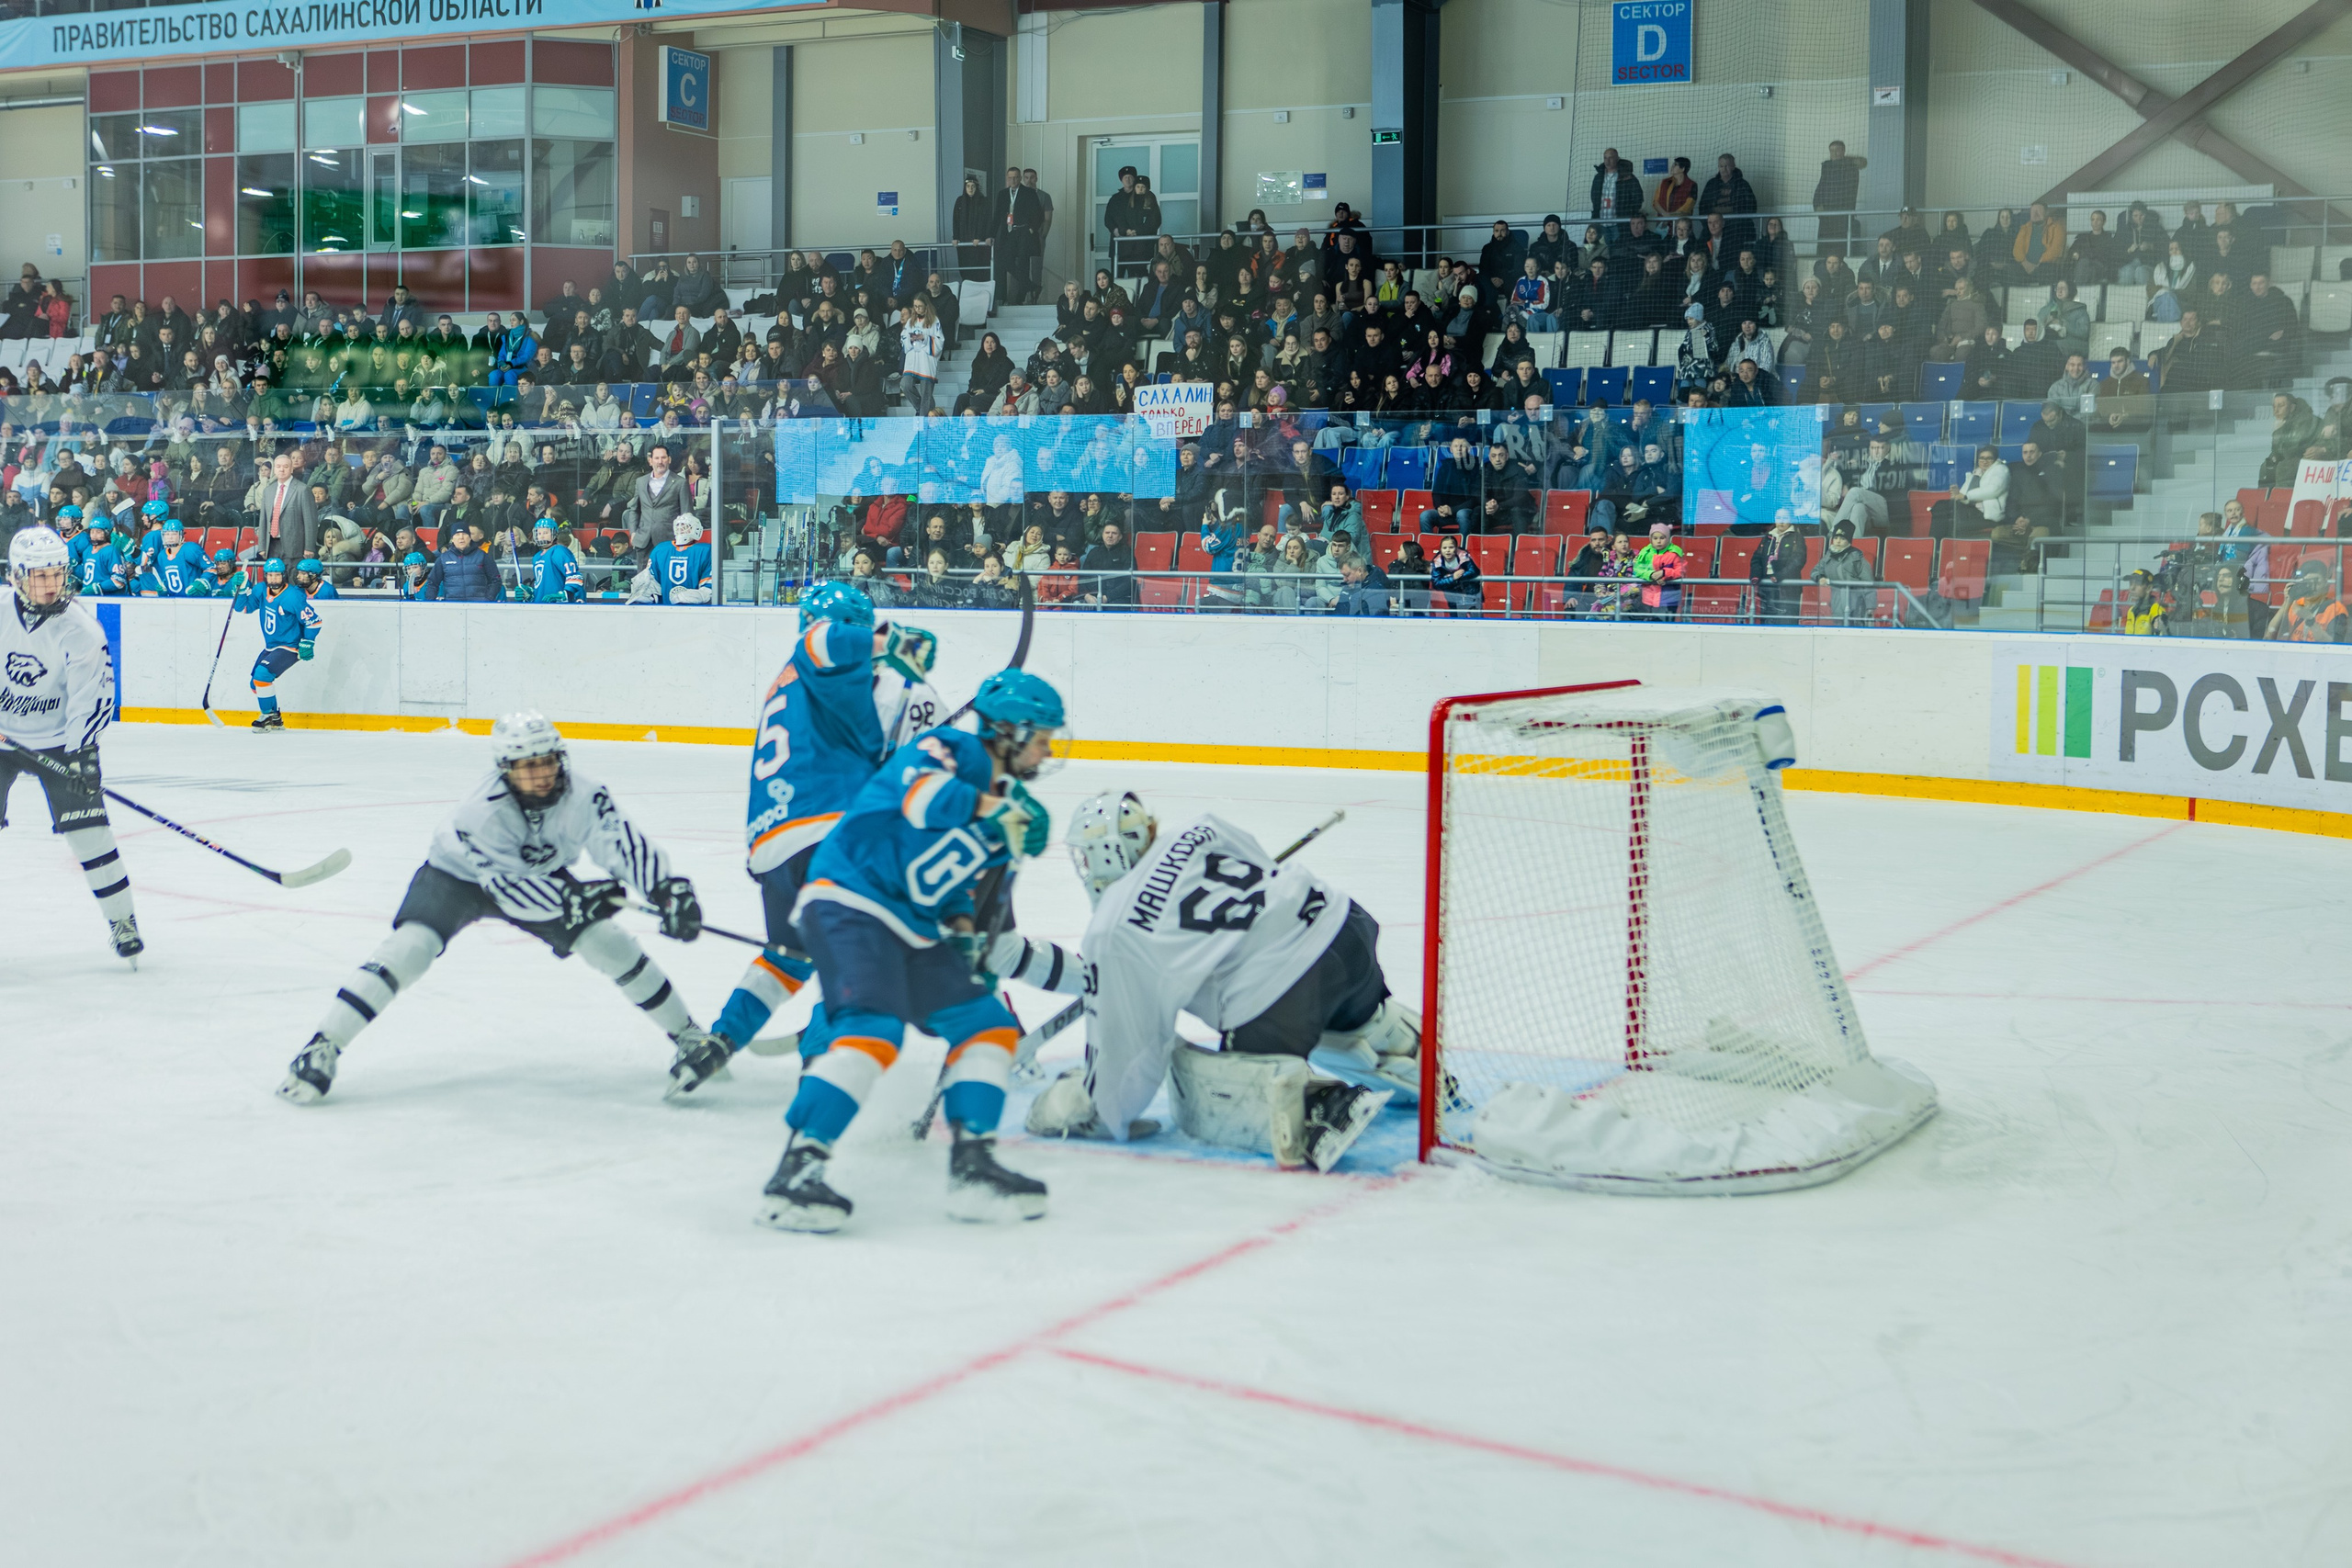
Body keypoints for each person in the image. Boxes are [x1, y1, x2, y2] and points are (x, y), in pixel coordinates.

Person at [755, 670, 1069, 1234]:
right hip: (849, 901)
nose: (1049, 749)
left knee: (988, 1027)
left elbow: (953, 883)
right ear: (1010, 732)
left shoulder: (998, 804)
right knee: (873, 1033)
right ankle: (795, 1174)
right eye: (1043, 736)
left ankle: (973, 1168)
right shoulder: (948, 748)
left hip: (913, 926)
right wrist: (995, 812)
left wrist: (963, 930)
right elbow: (923, 802)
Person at [275, 713, 715, 1105]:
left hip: (539, 877)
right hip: (457, 878)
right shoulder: (478, 814)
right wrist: (572, 900)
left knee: (608, 943)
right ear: (506, 770)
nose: (542, 774)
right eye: (528, 766)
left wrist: (665, 889)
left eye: (548, 760)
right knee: (410, 948)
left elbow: (618, 841)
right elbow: (508, 890)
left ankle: (689, 1036)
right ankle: (323, 1045)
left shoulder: (585, 794)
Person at [1023, 791, 1415, 1171]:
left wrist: (1092, 1109)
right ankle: (1402, 1041)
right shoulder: (1202, 828)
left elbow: (1131, 1056)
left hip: (1283, 992)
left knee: (1204, 1081)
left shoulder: (1113, 931)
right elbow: (1263, 869)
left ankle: (1313, 1104)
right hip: (1346, 929)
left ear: (1106, 854)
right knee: (1339, 1012)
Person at [0, 526, 141, 962]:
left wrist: (83, 755)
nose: (50, 585)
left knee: (90, 833)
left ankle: (122, 920)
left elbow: (91, 698)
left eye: (57, 574)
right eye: (40, 576)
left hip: (60, 741)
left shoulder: (80, 628)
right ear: (17, 577)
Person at [230, 557, 321, 733]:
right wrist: (240, 590)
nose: (273, 579)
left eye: (277, 575)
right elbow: (243, 608)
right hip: (271, 646)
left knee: (262, 675)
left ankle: (266, 717)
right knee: (255, 684)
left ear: (284, 576)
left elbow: (314, 622)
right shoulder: (261, 590)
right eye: (270, 576)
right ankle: (276, 718)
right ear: (265, 577)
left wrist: (308, 642)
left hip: (290, 646)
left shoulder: (293, 596)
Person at [1748, 512, 1808, 625]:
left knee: (1786, 623)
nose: (1781, 521)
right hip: (1767, 587)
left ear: (1790, 519)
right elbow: (1756, 559)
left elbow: (1798, 561)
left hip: (1788, 589)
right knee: (1767, 623)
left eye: (1785, 518)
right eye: (1778, 518)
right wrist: (1755, 575)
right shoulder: (1768, 537)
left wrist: (1779, 576)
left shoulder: (1797, 537)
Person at [1809, 522, 1874, 626]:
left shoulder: (1857, 557)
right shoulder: (1828, 556)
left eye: (1842, 538)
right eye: (1836, 538)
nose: (1838, 541)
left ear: (1848, 541)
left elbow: (1868, 583)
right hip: (1837, 601)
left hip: (1856, 602)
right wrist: (1820, 577)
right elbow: (1815, 571)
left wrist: (1870, 606)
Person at [642, 513, 713, 605]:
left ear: (696, 529)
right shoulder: (661, 550)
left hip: (695, 612)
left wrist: (695, 596)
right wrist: (647, 594)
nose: (681, 528)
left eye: (685, 526)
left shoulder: (705, 551)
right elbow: (651, 581)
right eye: (679, 525)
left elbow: (708, 588)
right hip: (664, 609)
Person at [136, 519, 211, 597]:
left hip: (194, 600)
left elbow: (211, 568)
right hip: (174, 601)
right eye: (167, 534)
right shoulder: (162, 556)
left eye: (174, 534)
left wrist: (203, 582)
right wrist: (164, 588)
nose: (170, 537)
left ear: (181, 534)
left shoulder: (190, 549)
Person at [527, 521, 584, 604]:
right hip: (540, 604)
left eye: (545, 532)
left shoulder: (559, 551)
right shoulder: (536, 557)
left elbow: (575, 576)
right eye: (539, 533)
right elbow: (540, 583)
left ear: (554, 533)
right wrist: (530, 594)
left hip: (559, 606)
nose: (542, 536)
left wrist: (566, 594)